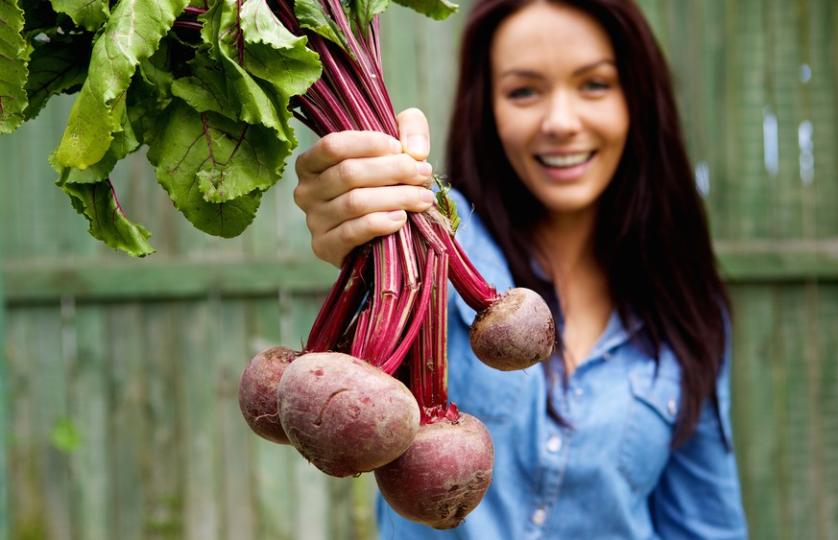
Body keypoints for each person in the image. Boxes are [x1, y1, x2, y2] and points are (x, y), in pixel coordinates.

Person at [293, 0, 748, 537]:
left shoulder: (686, 307)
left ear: (637, 99)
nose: (560, 122)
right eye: (523, 91)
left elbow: (704, 524)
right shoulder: (426, 239)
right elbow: (373, 241)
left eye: (594, 84)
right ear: (487, 109)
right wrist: (361, 214)